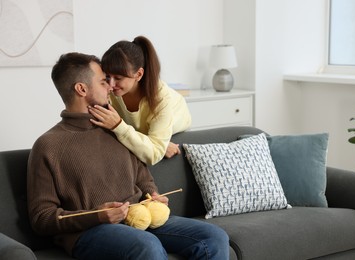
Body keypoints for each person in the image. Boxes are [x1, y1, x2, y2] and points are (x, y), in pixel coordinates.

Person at [27, 52, 229, 260]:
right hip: (89, 231)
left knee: (213, 236)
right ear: (81, 89)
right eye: (104, 81)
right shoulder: (48, 145)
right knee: (146, 246)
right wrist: (96, 216)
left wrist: (153, 195)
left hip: (140, 218)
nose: (111, 87)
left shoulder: (118, 127)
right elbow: (42, 218)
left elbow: (142, 176)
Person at [87, 36, 192, 165]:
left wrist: (118, 126)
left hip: (177, 120)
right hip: (144, 131)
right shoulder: (111, 90)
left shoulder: (162, 98)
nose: (111, 84)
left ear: (139, 74)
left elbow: (153, 154)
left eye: (118, 78)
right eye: (107, 77)